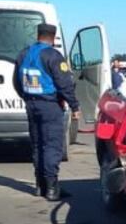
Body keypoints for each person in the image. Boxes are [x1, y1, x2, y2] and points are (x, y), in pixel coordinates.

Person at [12, 23, 81, 201]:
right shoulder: (53, 55)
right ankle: (52, 188)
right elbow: (64, 84)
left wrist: (27, 97)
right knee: (52, 146)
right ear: (53, 37)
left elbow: (16, 82)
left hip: (31, 104)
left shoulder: (24, 53)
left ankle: (39, 186)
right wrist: (74, 106)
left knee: (37, 145)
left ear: (38, 34)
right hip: (50, 106)